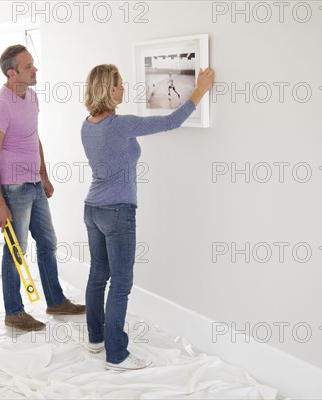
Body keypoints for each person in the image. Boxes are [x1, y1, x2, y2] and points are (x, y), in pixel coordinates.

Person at [81, 64, 214, 370]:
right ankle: (116, 355)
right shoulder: (120, 124)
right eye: (120, 84)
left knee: (98, 276)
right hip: (118, 211)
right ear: (109, 89)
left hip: (92, 209)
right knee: (121, 283)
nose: (123, 89)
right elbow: (170, 122)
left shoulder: (87, 124)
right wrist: (200, 90)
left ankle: (96, 338)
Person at [0, 44, 85, 332]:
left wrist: (43, 173)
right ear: (12, 72)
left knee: (48, 241)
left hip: (34, 183)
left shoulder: (32, 96)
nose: (35, 69)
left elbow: (33, 136)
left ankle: (55, 300)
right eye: (29, 66)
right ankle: (14, 311)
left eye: (33, 65)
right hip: (13, 187)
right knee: (16, 250)